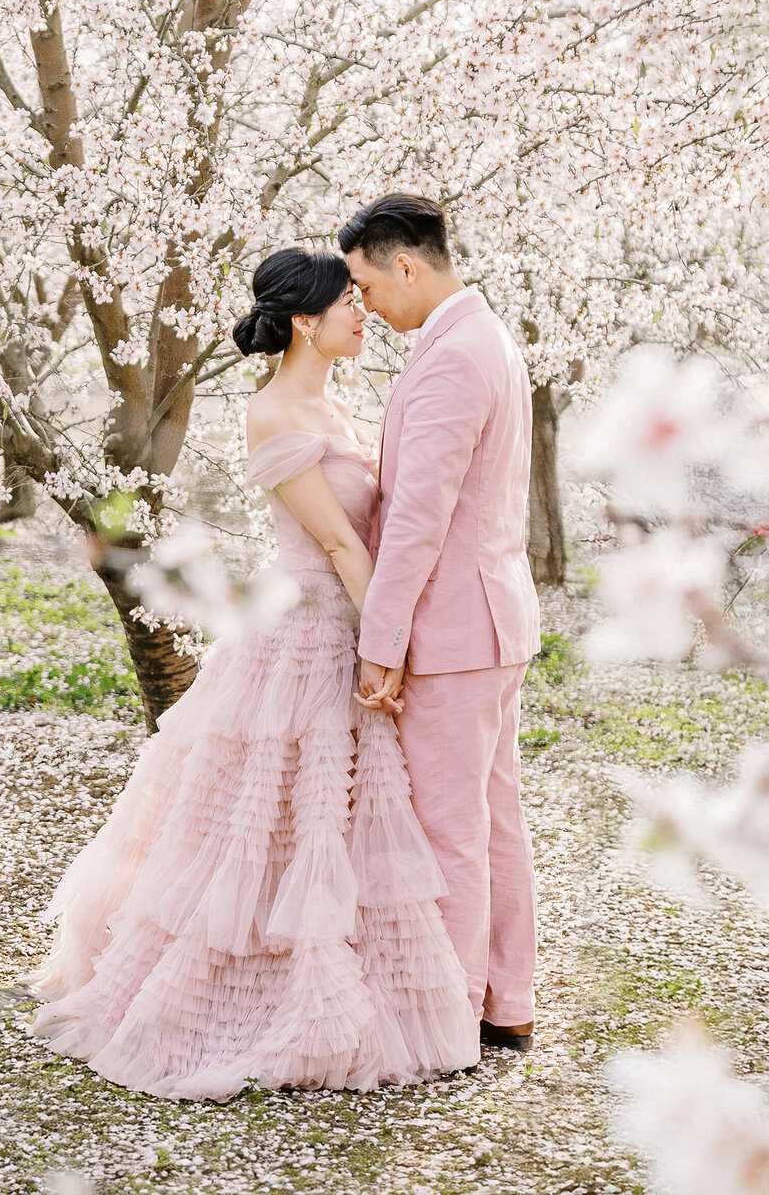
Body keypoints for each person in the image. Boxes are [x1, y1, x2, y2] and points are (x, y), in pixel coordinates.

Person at [28, 246, 479, 1099]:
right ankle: (252, 993)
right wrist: (390, 640)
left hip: (348, 623)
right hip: (307, 634)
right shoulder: (275, 414)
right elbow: (342, 543)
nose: (364, 311)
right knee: (275, 814)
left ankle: (356, 982)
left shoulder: (334, 403)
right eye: (350, 301)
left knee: (340, 814)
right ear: (306, 320)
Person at [338, 194, 540, 1052]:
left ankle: (452, 1016)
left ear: (406, 266)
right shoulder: (481, 337)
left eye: (366, 285)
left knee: (450, 829)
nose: (366, 307)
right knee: (493, 819)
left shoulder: (455, 356)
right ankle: (507, 1000)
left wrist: (380, 642)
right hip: (491, 618)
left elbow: (420, 513)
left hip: (455, 630)